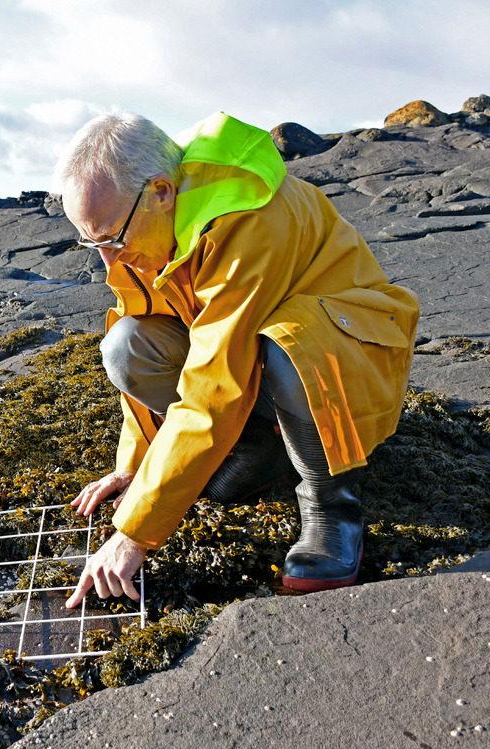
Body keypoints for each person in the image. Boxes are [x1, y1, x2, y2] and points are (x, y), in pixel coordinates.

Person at [60, 112, 419, 607]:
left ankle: (332, 508)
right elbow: (181, 353)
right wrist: (134, 465)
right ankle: (259, 449)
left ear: (161, 192)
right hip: (260, 364)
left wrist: (134, 534)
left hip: (349, 364)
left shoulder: (246, 222)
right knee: (127, 344)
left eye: (112, 238)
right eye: (92, 242)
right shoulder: (142, 226)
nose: (108, 259)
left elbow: (216, 385)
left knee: (289, 344)